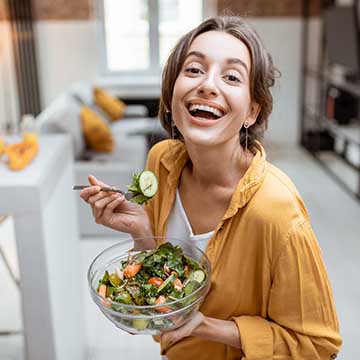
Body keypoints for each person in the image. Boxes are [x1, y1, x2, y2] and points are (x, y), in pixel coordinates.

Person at [80, 16, 342, 360]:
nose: (207, 85)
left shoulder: (276, 211)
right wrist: (143, 233)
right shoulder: (162, 160)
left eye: (231, 76)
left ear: (252, 110)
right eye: (193, 70)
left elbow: (319, 346)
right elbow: (166, 287)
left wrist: (205, 326)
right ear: (172, 95)